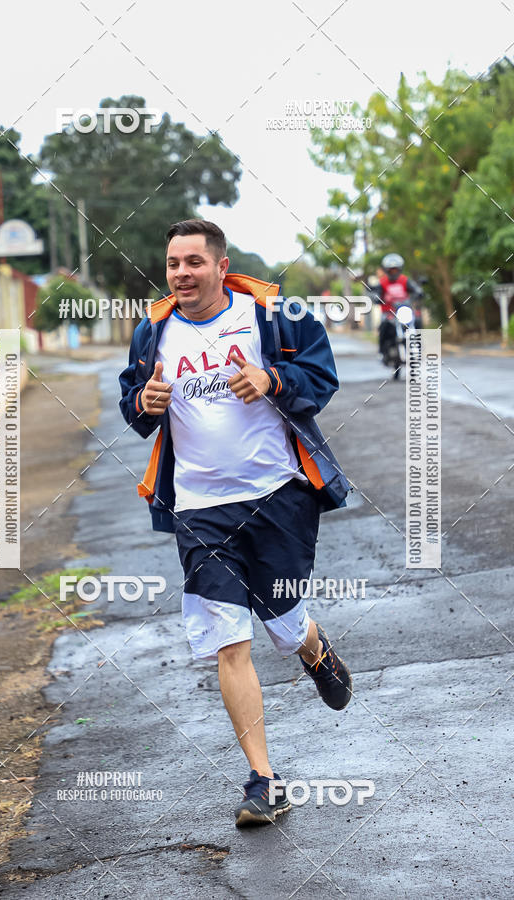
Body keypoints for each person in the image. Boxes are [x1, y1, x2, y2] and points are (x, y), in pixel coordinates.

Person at [119, 219, 353, 828]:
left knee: (280, 622)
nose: (181, 274)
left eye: (194, 262)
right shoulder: (153, 332)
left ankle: (310, 644)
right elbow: (133, 403)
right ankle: (263, 781)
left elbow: (323, 379)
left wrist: (275, 378)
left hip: (277, 495)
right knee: (230, 640)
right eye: (173, 263)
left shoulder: (271, 315)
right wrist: (141, 404)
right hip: (198, 508)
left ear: (222, 266)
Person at [375, 253, 423, 358]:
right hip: (388, 313)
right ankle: (382, 351)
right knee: (383, 326)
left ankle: (418, 347)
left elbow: (415, 289)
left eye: (395, 269)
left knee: (418, 321)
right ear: (387, 270)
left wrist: (418, 292)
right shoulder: (382, 282)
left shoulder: (404, 280)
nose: (393, 272)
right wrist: (377, 298)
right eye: (391, 270)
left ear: (400, 269)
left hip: (404, 311)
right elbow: (377, 295)